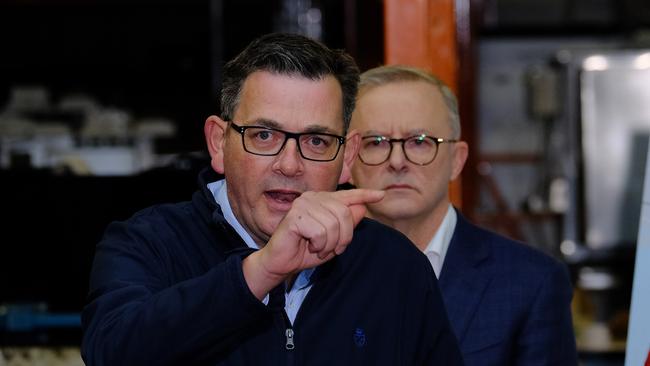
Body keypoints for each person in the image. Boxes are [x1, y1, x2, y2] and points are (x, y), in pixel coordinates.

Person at [81, 34, 463, 366]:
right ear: (218, 143)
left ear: (347, 158)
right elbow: (112, 353)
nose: (290, 164)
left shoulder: (393, 266)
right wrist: (260, 272)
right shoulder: (149, 243)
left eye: (317, 141)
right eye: (264, 135)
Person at [349, 65, 578, 365]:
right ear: (347, 161)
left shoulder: (532, 282)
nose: (397, 161)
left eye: (419, 142)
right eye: (375, 142)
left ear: (456, 161)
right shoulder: (314, 273)